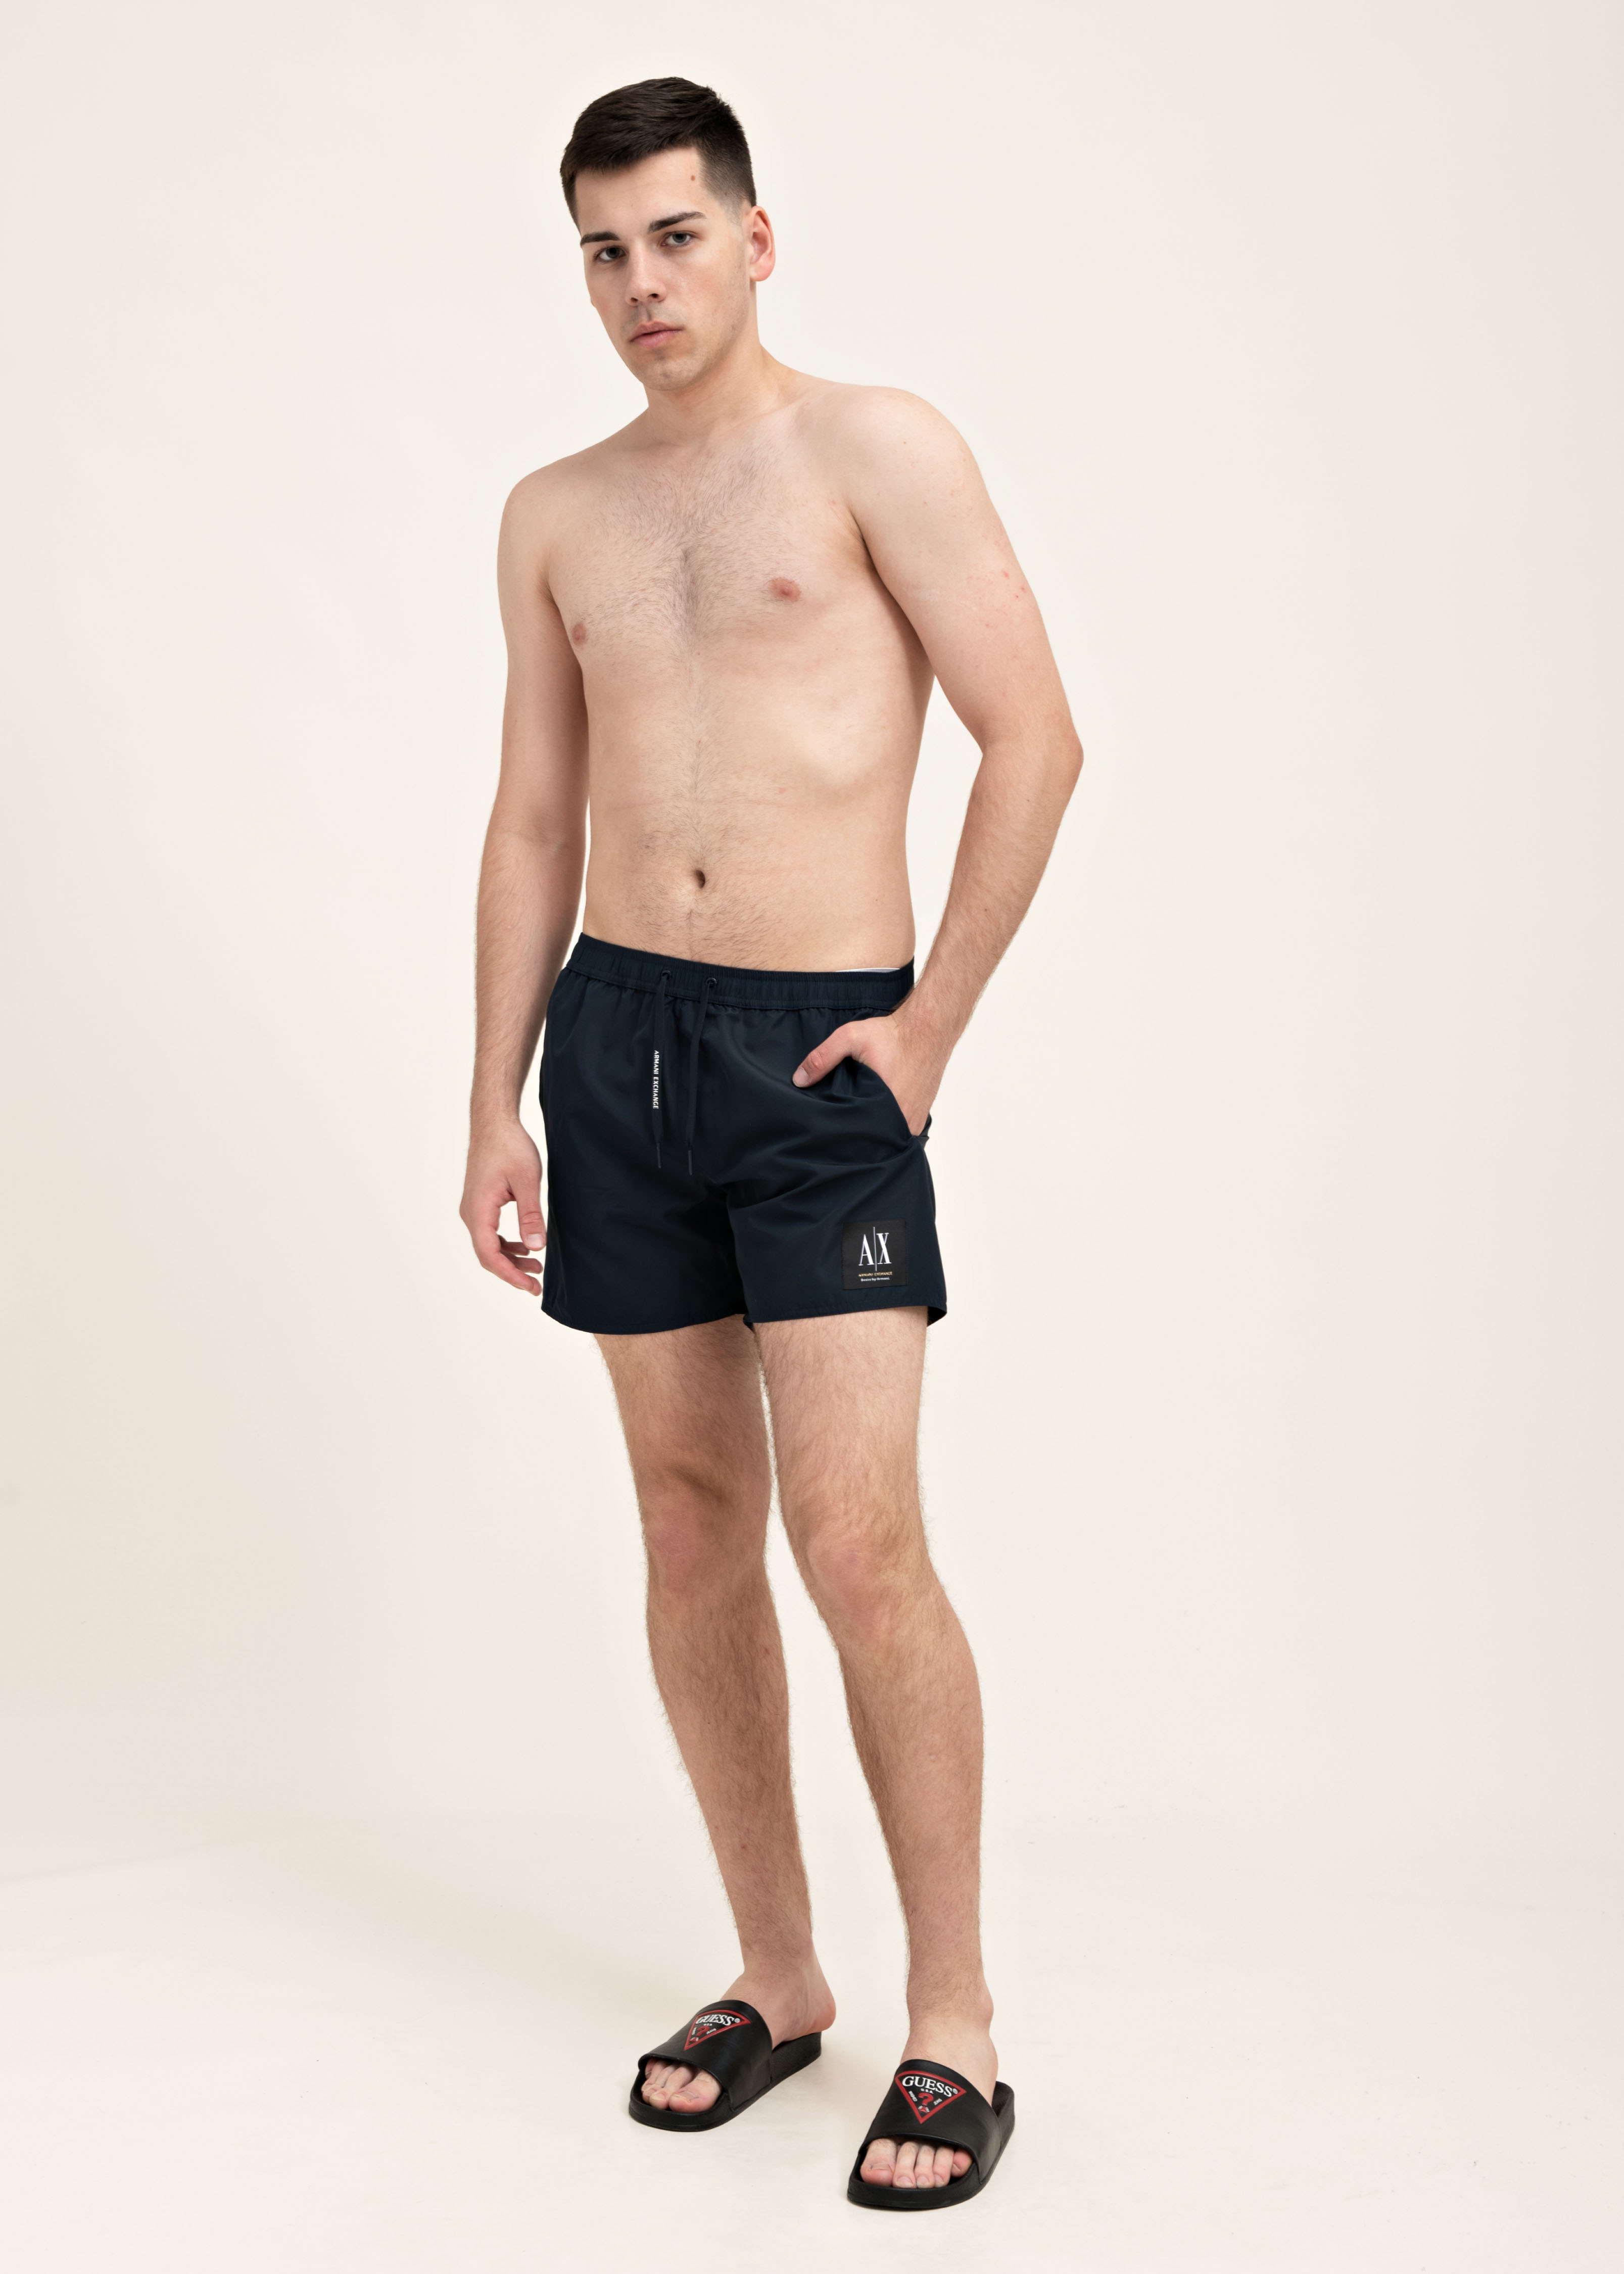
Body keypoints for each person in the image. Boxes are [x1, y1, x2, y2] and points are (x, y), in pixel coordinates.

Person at [458, 77, 1081, 2210]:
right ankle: (781, 1971)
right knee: (689, 1515)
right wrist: (493, 1096)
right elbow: (533, 820)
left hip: (822, 1060)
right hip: (616, 1043)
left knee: (858, 1536)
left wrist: (928, 1031)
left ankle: (956, 2021)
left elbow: (1036, 737)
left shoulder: (875, 448)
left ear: (753, 238)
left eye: (674, 236)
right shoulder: (556, 513)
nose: (642, 282)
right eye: (604, 251)